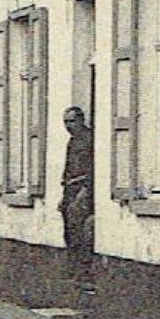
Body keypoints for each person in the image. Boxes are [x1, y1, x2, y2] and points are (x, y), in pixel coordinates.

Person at [60, 106, 95, 292]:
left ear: (81, 120)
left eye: (72, 121)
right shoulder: (72, 141)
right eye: (66, 122)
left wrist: (86, 189)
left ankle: (83, 274)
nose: (68, 125)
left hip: (82, 189)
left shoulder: (89, 140)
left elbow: (92, 167)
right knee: (69, 232)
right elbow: (68, 168)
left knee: (80, 233)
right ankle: (73, 272)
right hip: (70, 189)